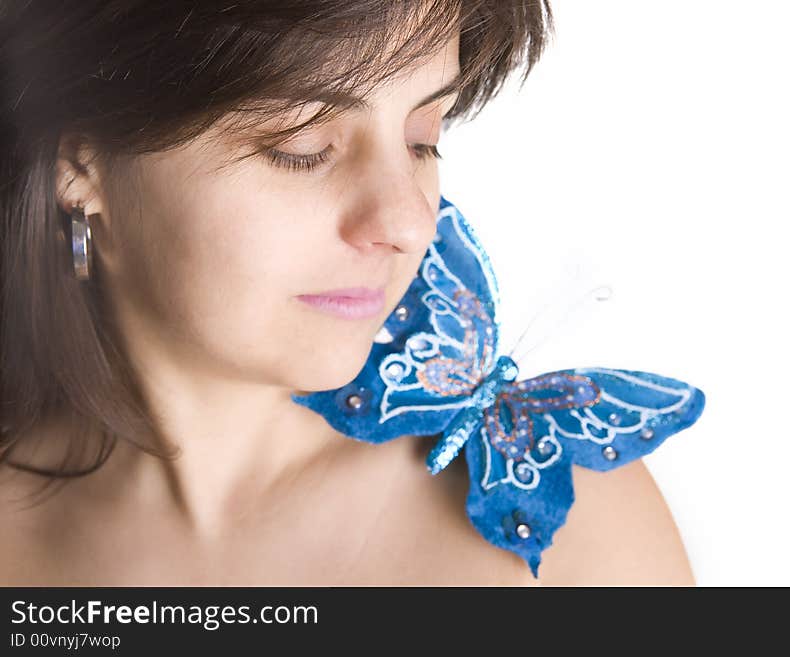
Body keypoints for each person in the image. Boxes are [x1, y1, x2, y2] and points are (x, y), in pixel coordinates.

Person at [0, 0, 695, 585]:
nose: (409, 220)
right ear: (80, 166)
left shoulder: (569, 535)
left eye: (424, 138)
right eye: (302, 145)